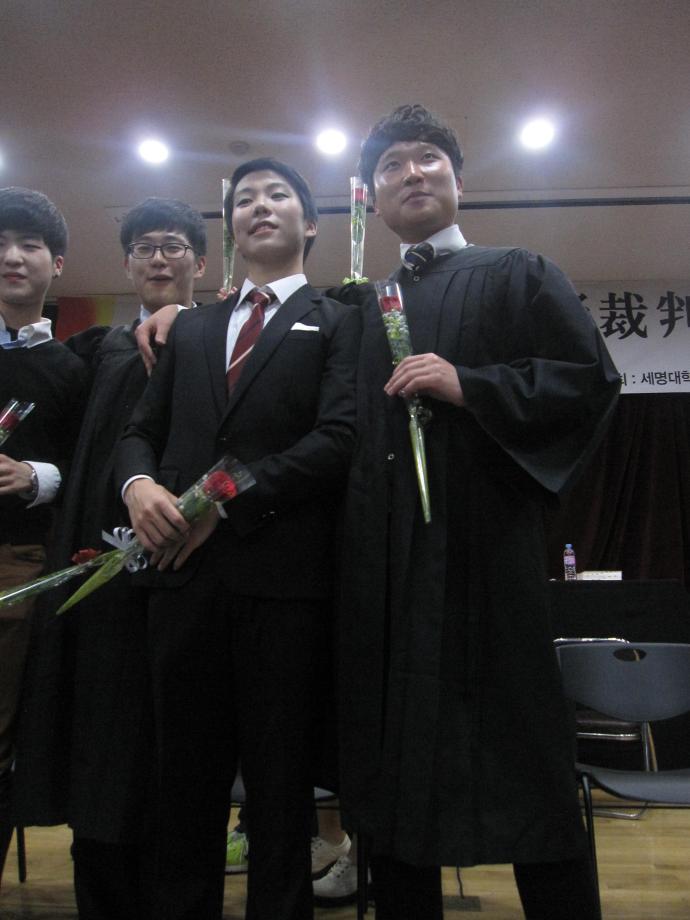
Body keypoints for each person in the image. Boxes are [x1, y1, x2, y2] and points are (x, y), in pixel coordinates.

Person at [334, 105, 621, 919]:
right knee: (394, 770)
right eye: (392, 164)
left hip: (487, 562)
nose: (412, 173)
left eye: (428, 157)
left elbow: (587, 383)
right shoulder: (359, 307)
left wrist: (472, 384)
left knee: (527, 761)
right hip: (386, 575)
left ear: (461, 180)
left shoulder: (518, 272)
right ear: (371, 197)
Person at [115, 157, 360, 920]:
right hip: (180, 585)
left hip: (283, 588)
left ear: (309, 224)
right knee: (183, 784)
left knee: (279, 790)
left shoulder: (338, 320)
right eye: (244, 198)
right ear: (230, 233)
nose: (258, 205)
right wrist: (138, 485)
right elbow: (140, 431)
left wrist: (223, 500)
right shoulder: (190, 327)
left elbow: (339, 437)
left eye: (277, 194)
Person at [14, 198, 207, 918]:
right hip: (98, 579)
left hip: (191, 574)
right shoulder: (94, 352)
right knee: (99, 741)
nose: (159, 259)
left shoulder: (225, 340)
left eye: (173, 246)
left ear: (199, 262)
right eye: (144, 248)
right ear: (126, 264)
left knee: (178, 745)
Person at [0, 187, 88, 888]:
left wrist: (36, 476)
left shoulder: (72, 370)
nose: (12, 257)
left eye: (29, 245)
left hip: (19, 565)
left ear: (56, 264)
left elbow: (84, 467)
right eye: (1, 244)